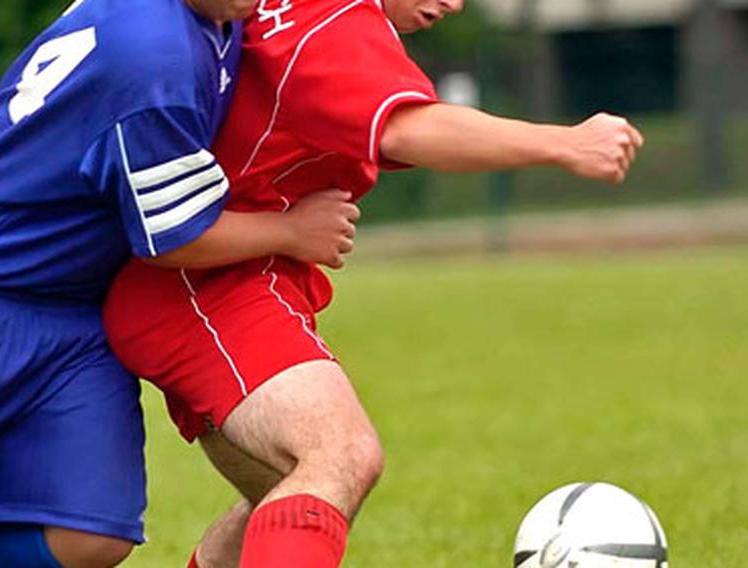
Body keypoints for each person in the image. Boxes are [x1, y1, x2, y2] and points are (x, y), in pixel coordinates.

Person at [103, 0, 646, 566]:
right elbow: (409, 129)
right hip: (206, 288)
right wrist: (564, 144)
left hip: (219, 280)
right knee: (339, 452)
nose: (454, 4)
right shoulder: (332, 24)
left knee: (284, 494)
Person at [0, 0, 360, 566]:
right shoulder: (152, 53)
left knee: (88, 536)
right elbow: (170, 238)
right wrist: (289, 230)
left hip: (70, 307)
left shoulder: (212, 18)